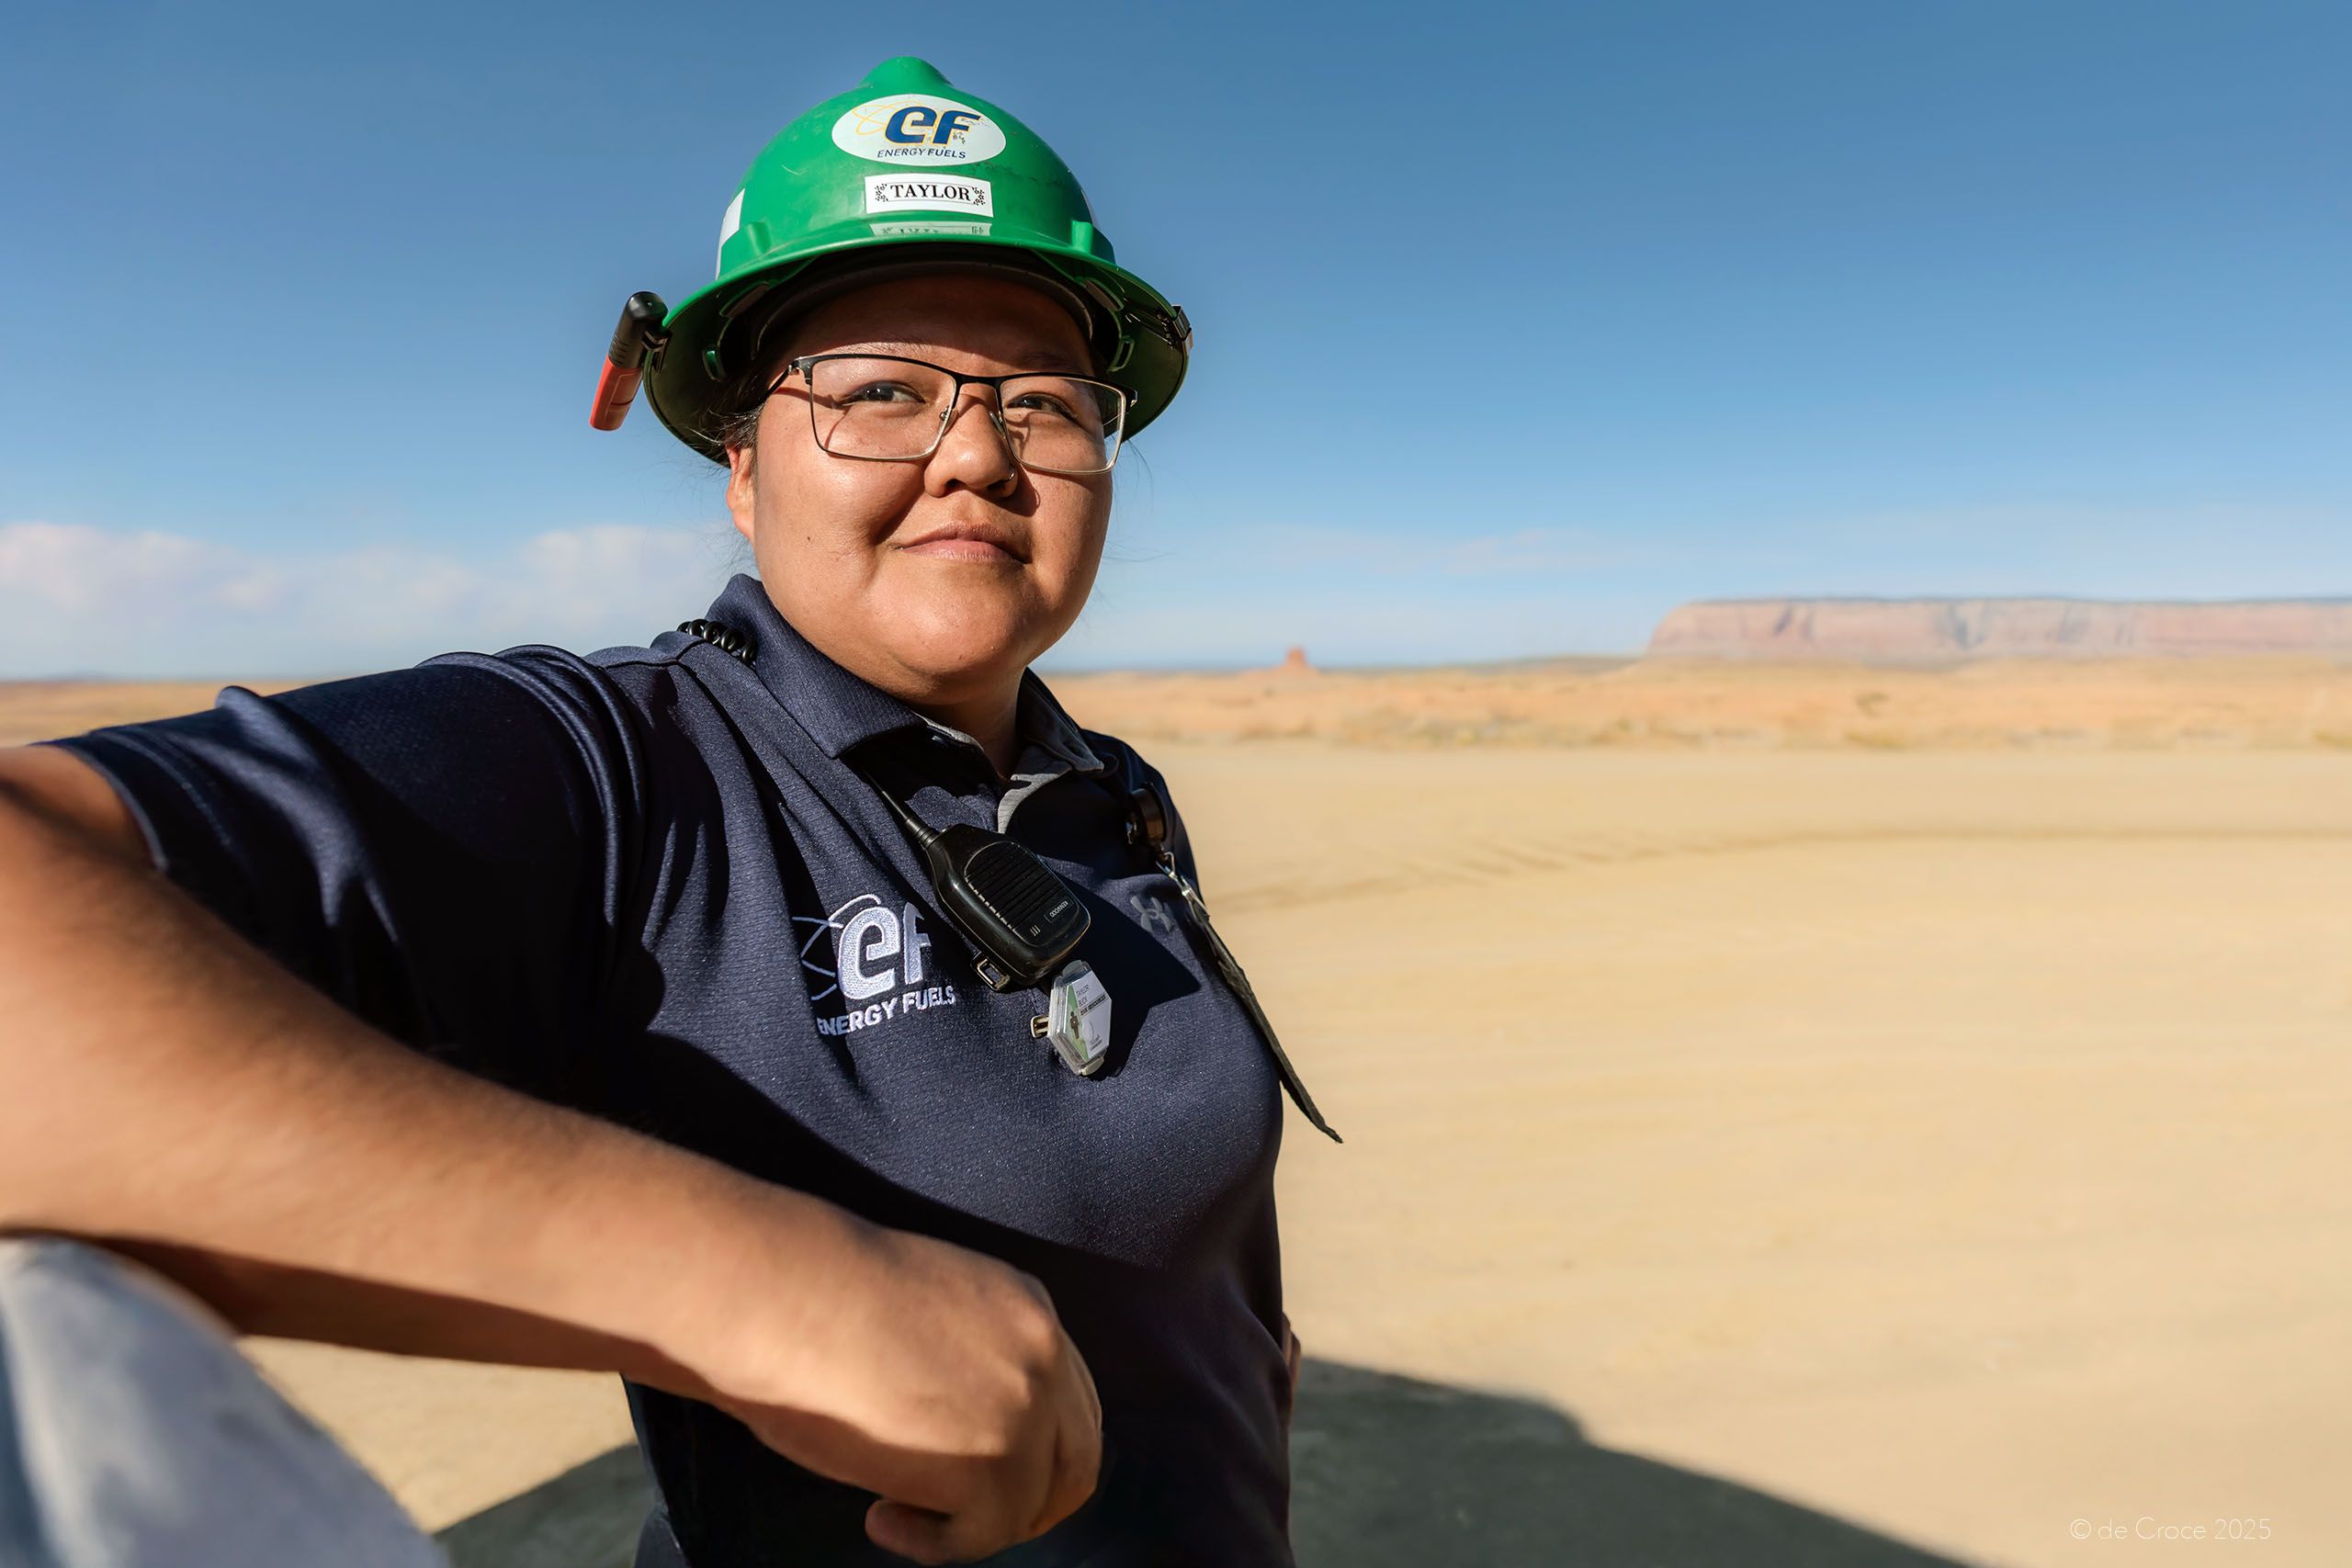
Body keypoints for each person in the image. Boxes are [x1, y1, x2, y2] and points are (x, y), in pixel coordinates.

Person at [0, 56, 1329, 1568]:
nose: (978, 453)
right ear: (741, 469)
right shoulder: (624, 771)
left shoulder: (1107, 791)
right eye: (884, 391)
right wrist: (756, 1282)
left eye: (1042, 401)